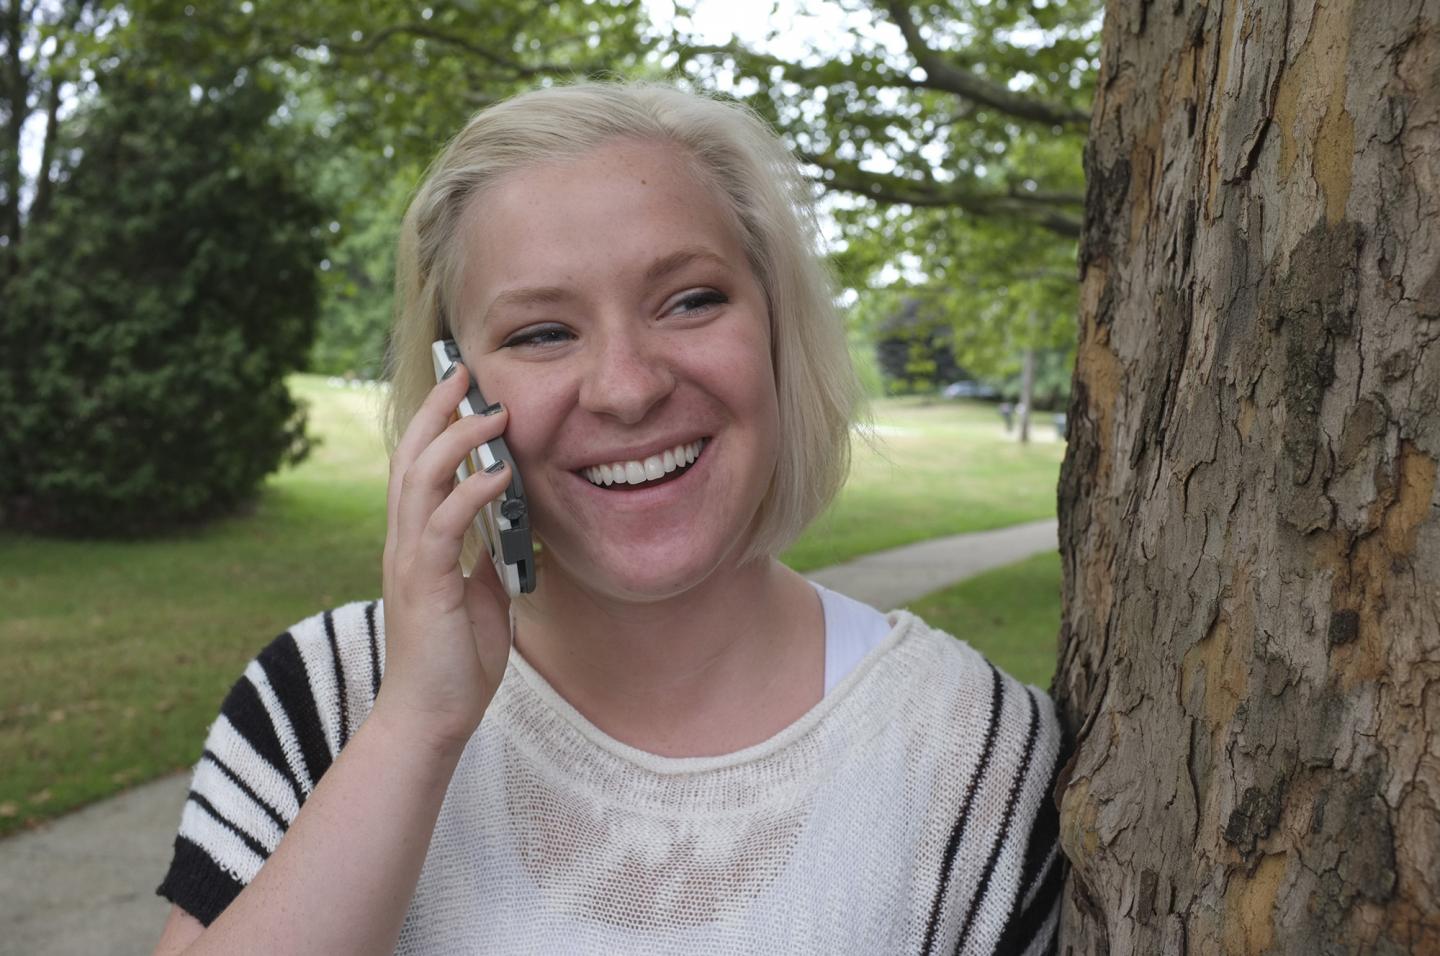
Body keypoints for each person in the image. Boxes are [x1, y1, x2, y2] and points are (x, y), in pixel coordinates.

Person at [151, 82, 1065, 955]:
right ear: (454, 388)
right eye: (542, 332)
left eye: (691, 300)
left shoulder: (974, 751)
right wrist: (416, 729)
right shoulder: (325, 698)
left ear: (777, 330)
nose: (627, 389)